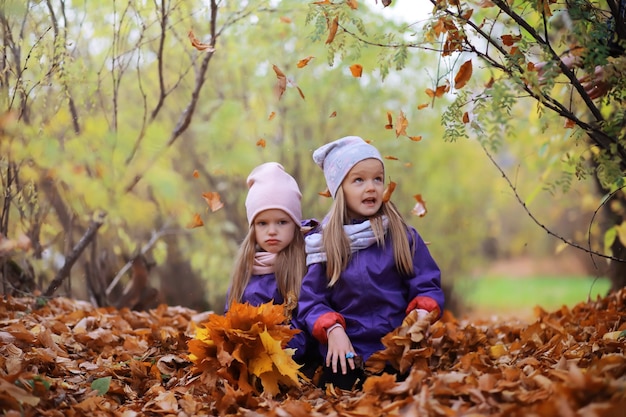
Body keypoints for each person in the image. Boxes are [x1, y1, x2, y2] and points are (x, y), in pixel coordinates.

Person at [296, 136, 445, 391]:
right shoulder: (324, 245)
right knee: (343, 389)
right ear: (339, 189)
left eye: (378, 179)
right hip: (348, 349)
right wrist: (332, 330)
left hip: (395, 347)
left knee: (405, 390)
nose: (372, 187)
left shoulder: (401, 236)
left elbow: (426, 284)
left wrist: (420, 314)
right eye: (359, 180)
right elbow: (311, 301)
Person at [225, 162, 320, 374]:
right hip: (250, 361)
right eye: (263, 223)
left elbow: (307, 320)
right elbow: (230, 314)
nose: (272, 231)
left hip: (294, 362)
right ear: (253, 228)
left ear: (295, 224)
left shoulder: (304, 264)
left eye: (282, 222)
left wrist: (281, 347)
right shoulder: (246, 268)